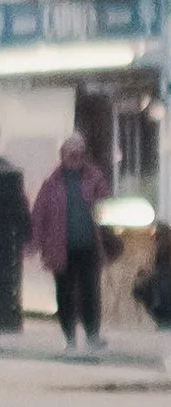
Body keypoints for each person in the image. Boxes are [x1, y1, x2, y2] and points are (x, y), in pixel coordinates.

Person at [29, 134, 107, 350]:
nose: (76, 158)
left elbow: (105, 202)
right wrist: (34, 243)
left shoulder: (94, 177)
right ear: (63, 155)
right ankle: (69, 337)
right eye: (72, 154)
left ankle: (92, 335)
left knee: (90, 292)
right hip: (60, 248)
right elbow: (39, 214)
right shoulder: (51, 183)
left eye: (80, 154)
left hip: (89, 246)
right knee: (64, 294)